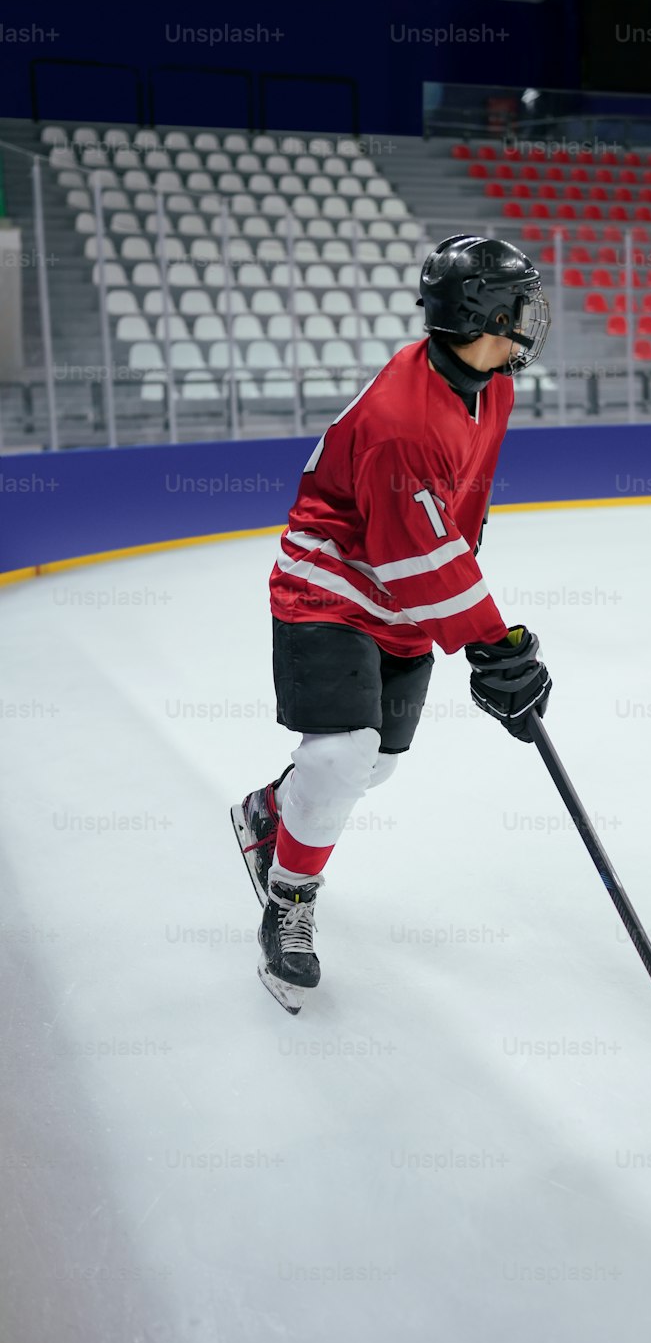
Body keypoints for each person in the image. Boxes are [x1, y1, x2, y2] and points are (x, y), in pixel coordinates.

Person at [231, 235, 553, 1012]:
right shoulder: (401, 420)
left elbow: (448, 528)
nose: (529, 321)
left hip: (404, 595)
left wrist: (488, 636)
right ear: (485, 312)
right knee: (341, 758)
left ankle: (270, 814)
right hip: (332, 585)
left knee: (372, 768)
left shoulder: (492, 385)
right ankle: (291, 900)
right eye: (518, 306)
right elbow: (414, 556)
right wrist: (488, 640)